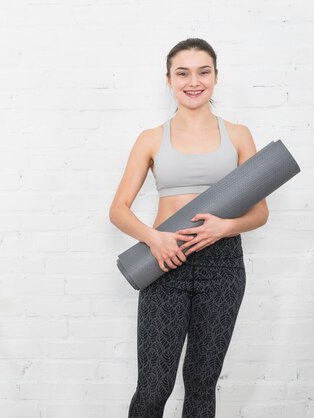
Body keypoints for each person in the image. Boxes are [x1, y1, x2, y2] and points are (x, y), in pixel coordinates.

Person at [109, 38, 269, 418]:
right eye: (183, 73)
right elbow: (118, 210)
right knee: (153, 387)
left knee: (201, 386)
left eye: (203, 72)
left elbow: (260, 211)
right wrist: (154, 238)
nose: (193, 81)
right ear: (168, 79)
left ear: (215, 77)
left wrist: (225, 227)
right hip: (164, 261)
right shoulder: (150, 138)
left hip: (224, 267)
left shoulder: (239, 134)